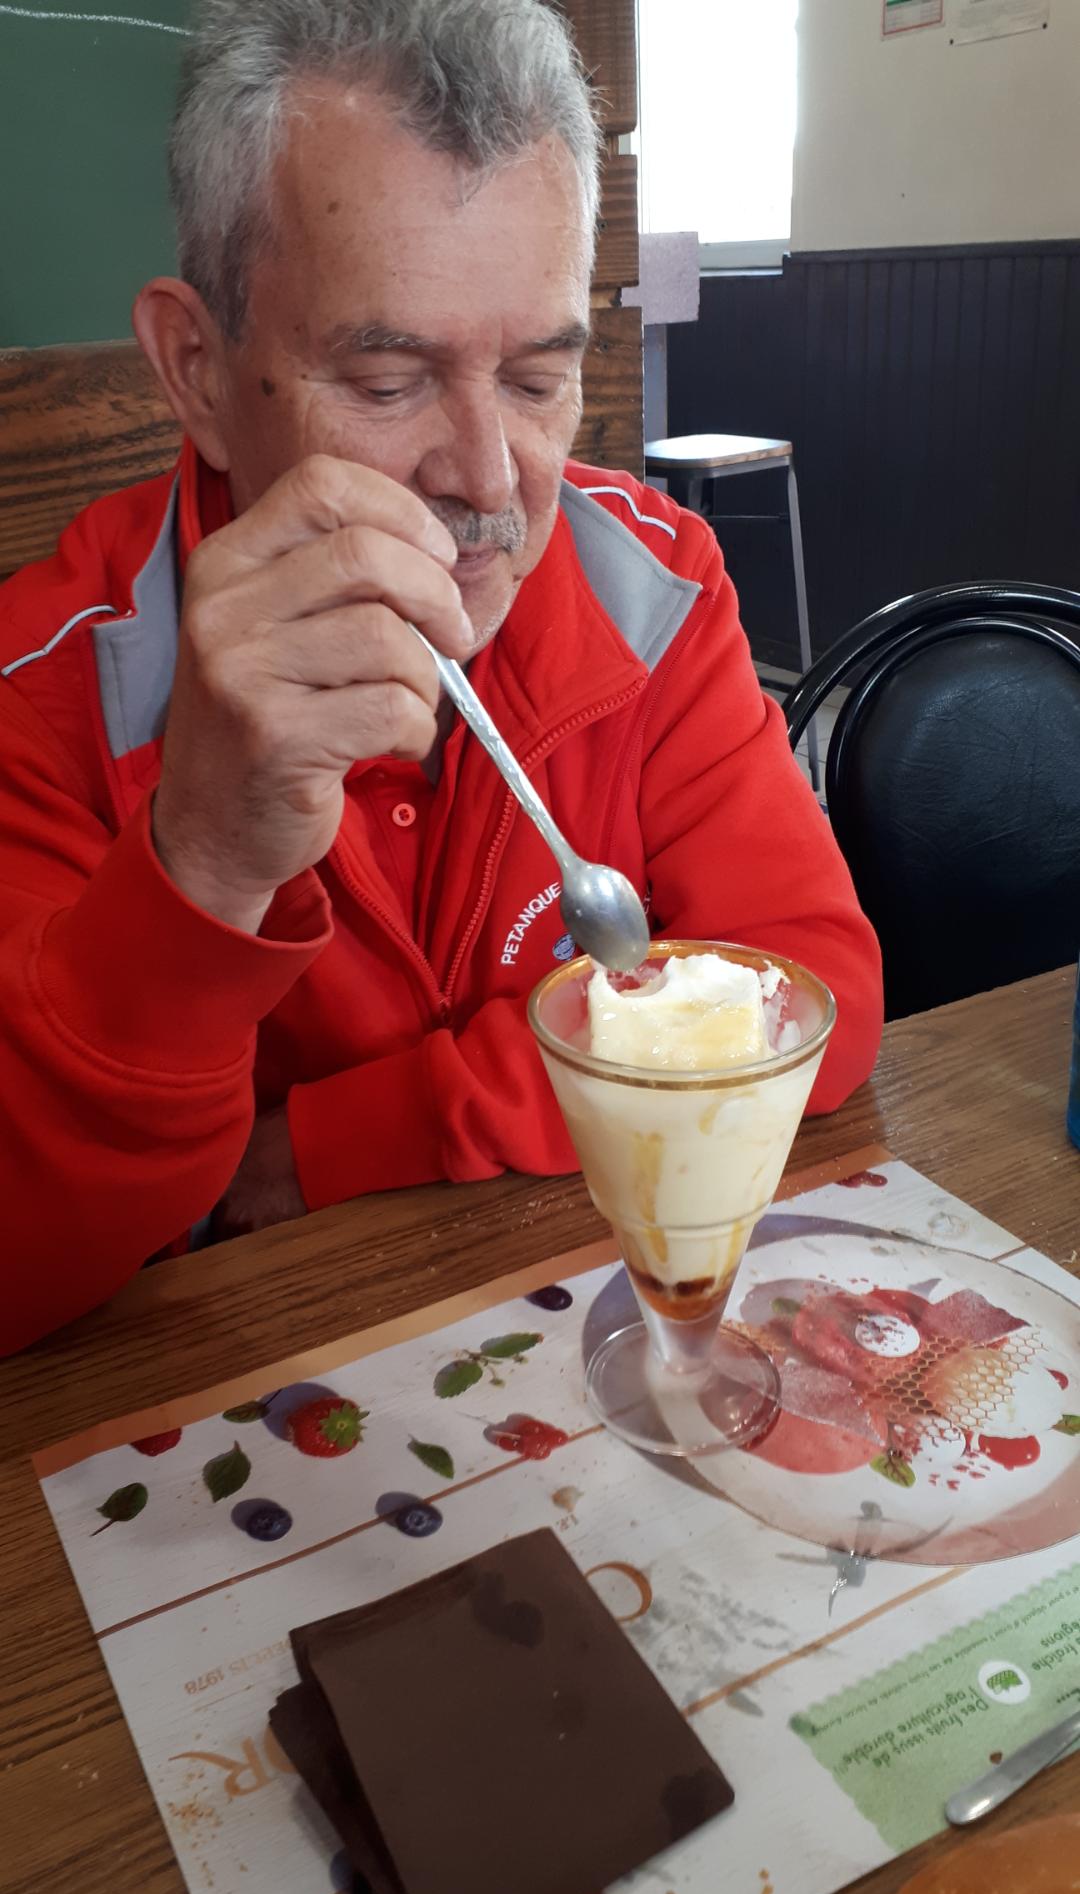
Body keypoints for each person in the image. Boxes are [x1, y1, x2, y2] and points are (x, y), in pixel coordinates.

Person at [0, 0, 883, 1355]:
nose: (489, 482)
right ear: (201, 370)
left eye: (536, 380)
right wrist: (204, 866)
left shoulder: (654, 585)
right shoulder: (51, 686)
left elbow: (816, 997)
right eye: (390, 379)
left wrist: (322, 1147)